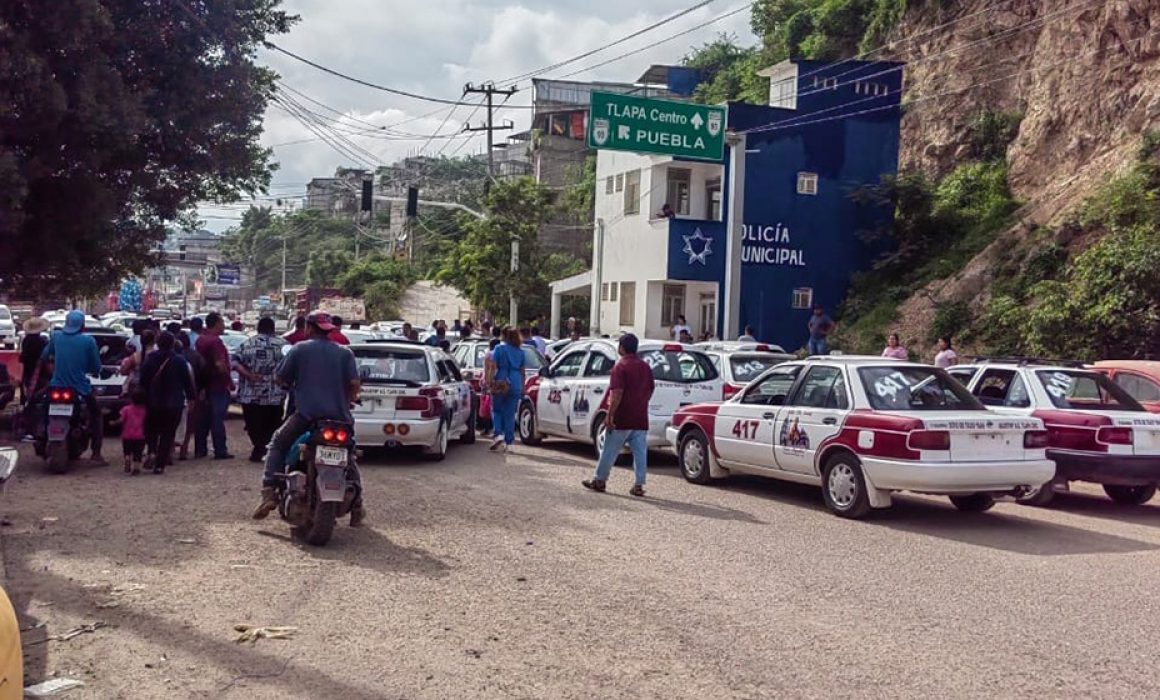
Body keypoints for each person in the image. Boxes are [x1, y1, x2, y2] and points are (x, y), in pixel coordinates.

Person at [252, 311, 364, 526]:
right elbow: (354, 385)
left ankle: (269, 492)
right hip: (340, 419)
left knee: (277, 443)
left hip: (307, 416)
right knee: (349, 455)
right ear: (329, 330)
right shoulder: (345, 353)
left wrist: (291, 383)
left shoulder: (299, 349)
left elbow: (279, 378)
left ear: (309, 328)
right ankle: (357, 505)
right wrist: (349, 400)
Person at [582, 333, 655, 498]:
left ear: (622, 347)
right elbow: (650, 390)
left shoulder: (620, 367)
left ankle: (600, 480)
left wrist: (610, 415)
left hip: (622, 417)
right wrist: (640, 402)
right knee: (640, 452)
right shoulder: (645, 366)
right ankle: (639, 484)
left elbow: (617, 393)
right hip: (640, 417)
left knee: (609, 450)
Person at [39, 310, 105, 464]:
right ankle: (96, 453)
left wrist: (53, 368)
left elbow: (44, 356)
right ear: (82, 326)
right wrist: (92, 370)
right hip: (80, 389)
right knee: (96, 415)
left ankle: (42, 431)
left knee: (43, 409)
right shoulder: (88, 341)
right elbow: (96, 367)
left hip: (56, 386)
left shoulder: (56, 337)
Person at [233, 317, 287, 463]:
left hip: (251, 393)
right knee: (272, 423)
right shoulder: (283, 345)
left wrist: (248, 375)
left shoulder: (247, 344)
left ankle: (258, 447)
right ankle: (266, 448)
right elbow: (292, 366)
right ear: (273, 328)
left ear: (258, 328)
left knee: (253, 423)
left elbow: (235, 362)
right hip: (275, 393)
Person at [140, 331, 195, 473]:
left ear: (158, 343)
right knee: (168, 434)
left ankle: (152, 451)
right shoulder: (180, 361)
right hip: (174, 403)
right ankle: (160, 465)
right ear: (172, 344)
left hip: (153, 402)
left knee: (151, 430)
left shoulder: (150, 358)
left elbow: (143, 381)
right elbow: (187, 382)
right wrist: (191, 398)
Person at [194, 311, 234, 460]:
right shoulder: (215, 342)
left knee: (203, 419)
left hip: (203, 385)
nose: (223, 326)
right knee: (217, 418)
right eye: (222, 323)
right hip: (217, 385)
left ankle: (200, 449)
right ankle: (220, 450)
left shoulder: (201, 340)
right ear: (216, 324)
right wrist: (228, 381)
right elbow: (219, 364)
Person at [490, 326, 525, 452]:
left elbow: (493, 366)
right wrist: (523, 386)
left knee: (497, 410)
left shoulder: (499, 348)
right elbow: (522, 371)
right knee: (510, 414)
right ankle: (509, 442)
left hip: (501, 379)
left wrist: (490, 380)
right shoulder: (521, 352)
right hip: (515, 381)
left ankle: (498, 433)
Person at [116, 391, 148, 475]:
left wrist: (114, 422)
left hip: (126, 435)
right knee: (138, 452)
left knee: (127, 450)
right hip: (140, 435)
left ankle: (127, 459)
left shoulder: (126, 409)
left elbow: (121, 420)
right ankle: (136, 468)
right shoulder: (144, 410)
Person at [18, 317, 49, 404]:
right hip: (39, 369)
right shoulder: (42, 341)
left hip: (27, 368)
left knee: (26, 386)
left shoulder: (26, 340)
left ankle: (26, 403)